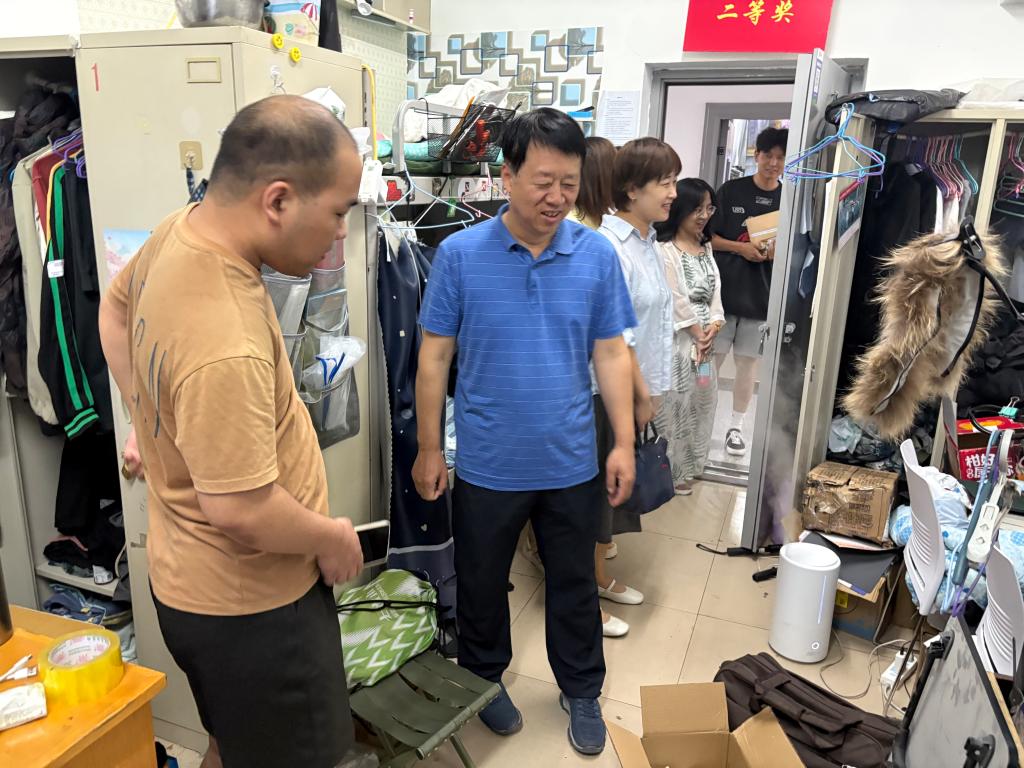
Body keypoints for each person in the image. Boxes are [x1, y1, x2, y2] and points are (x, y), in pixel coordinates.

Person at [98, 95, 365, 768]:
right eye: (338, 212)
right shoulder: (227, 336)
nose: (340, 235)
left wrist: (146, 418)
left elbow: (114, 311)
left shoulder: (180, 230)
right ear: (278, 200)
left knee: (233, 743)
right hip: (256, 613)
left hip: (187, 586)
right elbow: (241, 508)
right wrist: (331, 536)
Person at [412, 108, 637, 756]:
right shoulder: (459, 255)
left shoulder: (595, 254)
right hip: (488, 461)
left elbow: (611, 353)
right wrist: (429, 448)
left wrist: (623, 442)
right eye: (543, 181)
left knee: (574, 584)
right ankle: (485, 680)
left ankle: (581, 688)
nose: (557, 197)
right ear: (506, 176)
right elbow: (433, 357)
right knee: (482, 583)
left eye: (569, 183)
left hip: (570, 460)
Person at [593, 136, 679, 627]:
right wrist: (642, 394)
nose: (672, 193)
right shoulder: (610, 247)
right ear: (631, 189)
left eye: (673, 181)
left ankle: (598, 578)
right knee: (596, 498)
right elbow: (618, 336)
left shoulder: (648, 243)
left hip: (634, 390)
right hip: (609, 394)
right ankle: (586, 594)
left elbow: (655, 320)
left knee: (612, 497)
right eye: (663, 183)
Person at [710, 126, 787, 457]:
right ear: (757, 155)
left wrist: (777, 253)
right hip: (721, 298)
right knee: (708, 363)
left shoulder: (790, 198)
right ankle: (701, 420)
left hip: (761, 298)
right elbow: (708, 239)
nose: (773, 163)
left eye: (780, 157)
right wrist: (740, 248)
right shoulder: (731, 191)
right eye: (768, 155)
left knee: (747, 365)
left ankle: (735, 428)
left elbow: (800, 248)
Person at [655, 178, 725, 494]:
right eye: (697, 208)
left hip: (705, 348)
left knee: (704, 402)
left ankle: (694, 465)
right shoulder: (664, 250)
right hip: (680, 345)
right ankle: (672, 474)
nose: (704, 215)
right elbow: (675, 299)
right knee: (676, 407)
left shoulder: (706, 247)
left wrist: (714, 326)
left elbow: (716, 294)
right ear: (680, 209)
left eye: (709, 208)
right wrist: (698, 333)